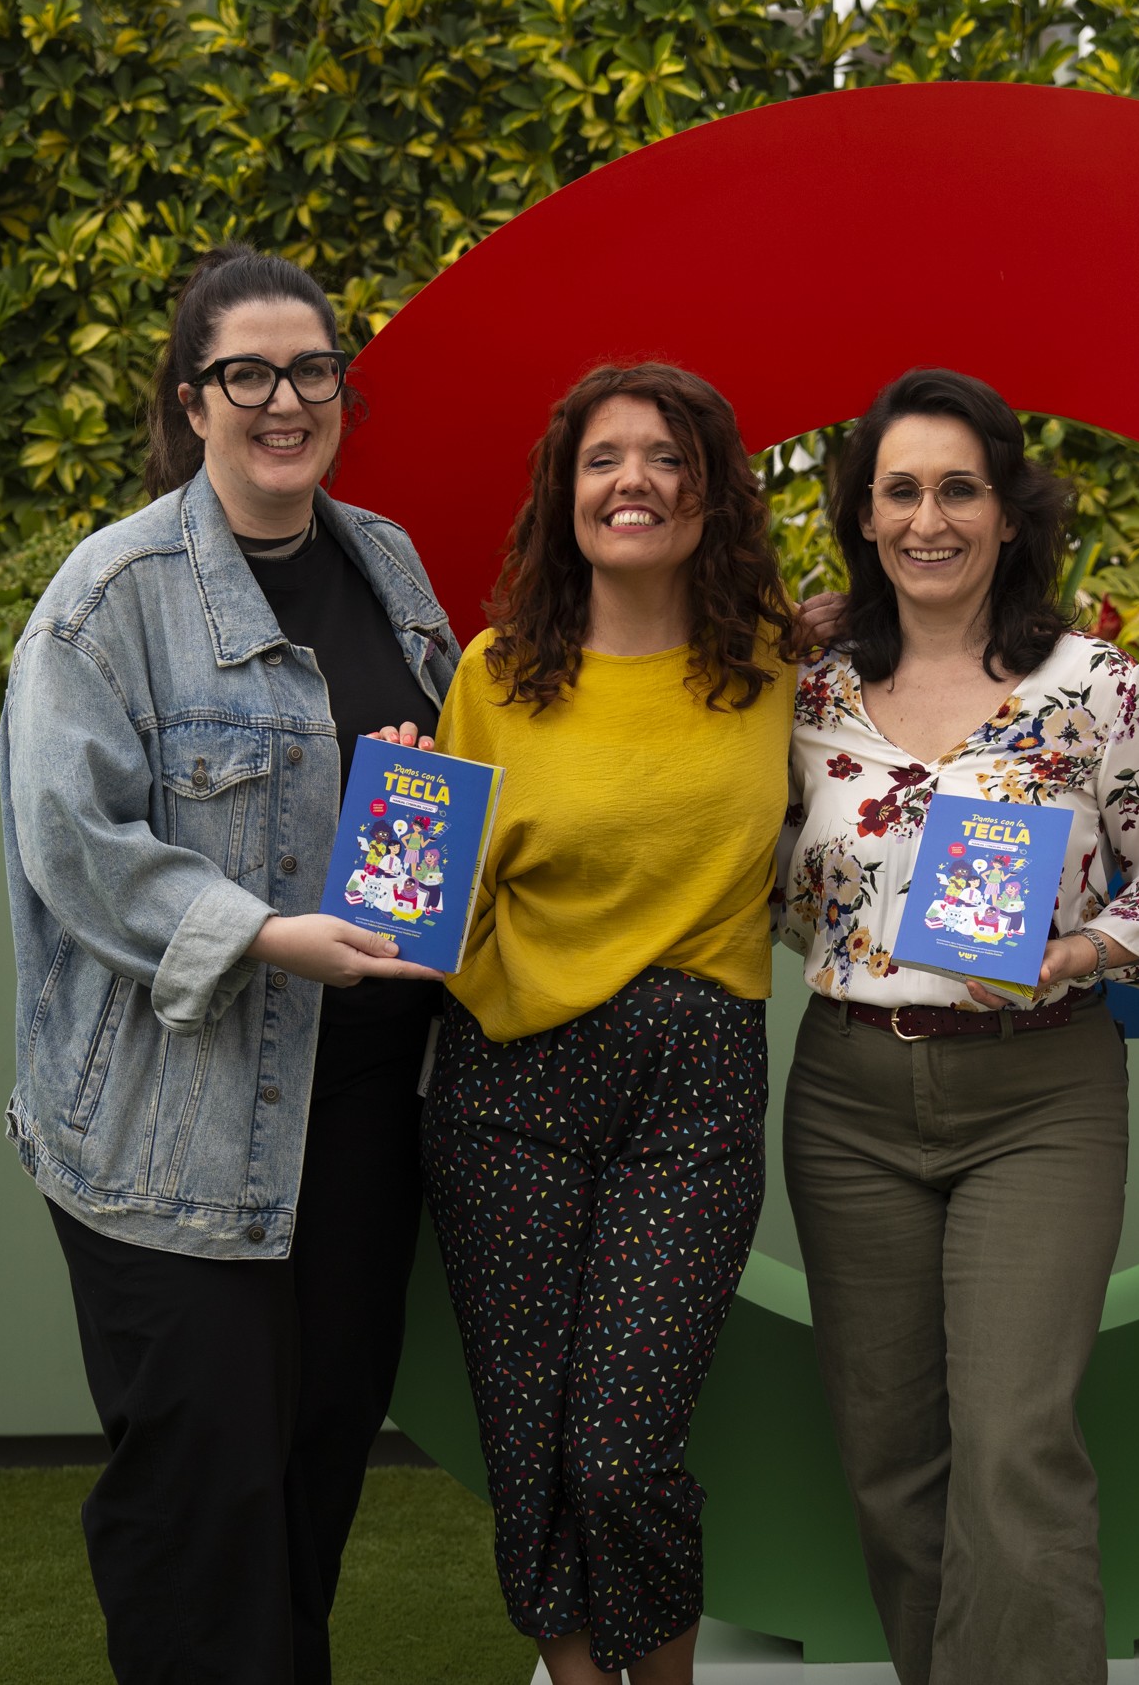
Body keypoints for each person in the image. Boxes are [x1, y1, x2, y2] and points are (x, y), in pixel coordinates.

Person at [0, 244, 460, 1684]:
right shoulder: (110, 597)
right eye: (245, 374)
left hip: (365, 1128)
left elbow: (415, 789)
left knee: (315, 1475)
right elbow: (72, 842)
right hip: (176, 1139)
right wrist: (260, 934)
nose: (283, 400)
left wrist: (416, 784)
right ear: (190, 400)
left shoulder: (385, 564)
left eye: (311, 370)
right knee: (200, 1511)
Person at [777, 368, 1139, 1685]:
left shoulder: (1094, 689)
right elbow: (764, 865)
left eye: (960, 488)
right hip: (848, 1097)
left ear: (1011, 513)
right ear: (862, 515)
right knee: (893, 1458)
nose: (929, 518)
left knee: (1015, 1444)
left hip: (1040, 1097)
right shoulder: (811, 691)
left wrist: (1086, 946)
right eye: (899, 490)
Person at [422, 363, 805, 1685]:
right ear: (564, 492)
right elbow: (432, 895)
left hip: (691, 1088)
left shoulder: (776, 666)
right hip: (507, 1085)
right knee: (529, 1442)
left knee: (623, 1447)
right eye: (603, 459)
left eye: (665, 458)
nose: (633, 481)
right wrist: (395, 819)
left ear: (713, 495)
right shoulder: (491, 674)